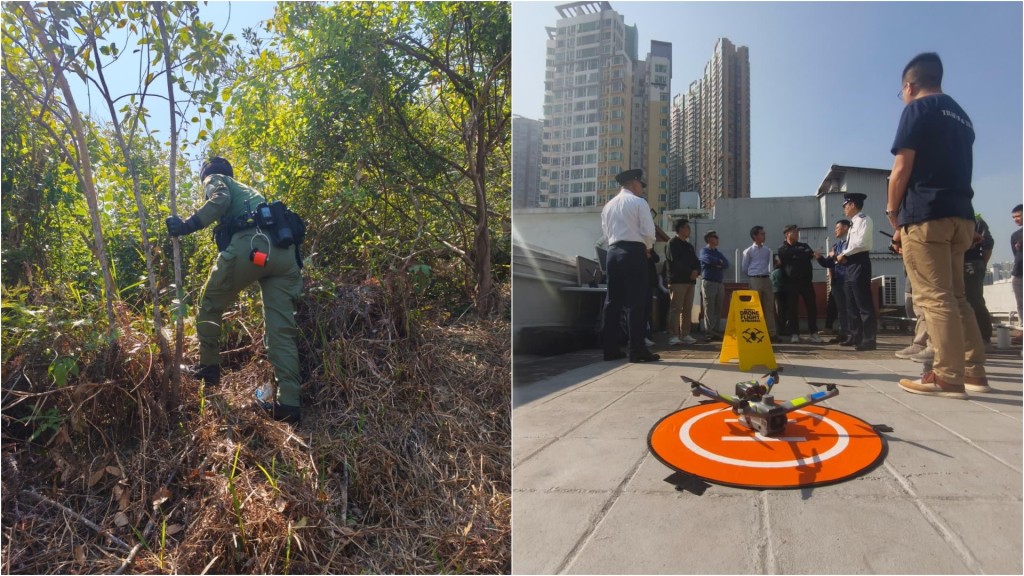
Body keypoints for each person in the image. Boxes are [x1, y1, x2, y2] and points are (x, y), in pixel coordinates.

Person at [166, 157, 304, 423]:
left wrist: (186, 226)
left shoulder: (217, 178)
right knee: (281, 331)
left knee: (209, 304)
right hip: (285, 255)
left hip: (254, 245)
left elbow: (220, 199)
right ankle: (289, 403)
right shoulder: (252, 193)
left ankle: (208, 369)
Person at [886, 52, 987, 398]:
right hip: (961, 215)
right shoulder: (962, 116)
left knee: (934, 298)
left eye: (901, 92)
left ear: (909, 86)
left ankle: (946, 376)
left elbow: (901, 168)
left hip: (926, 215)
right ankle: (974, 372)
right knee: (958, 297)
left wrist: (893, 213)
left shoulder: (918, 108)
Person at [601, 169, 659, 363]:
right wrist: (647, 248)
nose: (642, 189)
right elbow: (649, 232)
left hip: (612, 253)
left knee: (612, 302)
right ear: (634, 184)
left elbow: (606, 234)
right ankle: (637, 350)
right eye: (641, 185)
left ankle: (609, 350)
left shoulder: (608, 206)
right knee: (636, 302)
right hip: (633, 252)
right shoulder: (639, 202)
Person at [836, 193, 877, 350]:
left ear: (852, 205)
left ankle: (869, 339)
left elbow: (862, 243)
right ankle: (854, 335)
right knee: (851, 303)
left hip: (859, 262)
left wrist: (844, 254)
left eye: (845, 206)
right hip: (850, 264)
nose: (844, 209)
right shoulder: (853, 223)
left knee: (863, 303)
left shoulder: (864, 220)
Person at [777, 224, 823, 343]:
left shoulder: (804, 245)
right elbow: (786, 255)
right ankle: (794, 334)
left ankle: (813, 333)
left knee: (811, 307)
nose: (797, 234)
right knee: (792, 309)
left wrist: (795, 254)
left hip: (806, 281)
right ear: (787, 234)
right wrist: (800, 254)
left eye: (797, 232)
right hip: (791, 282)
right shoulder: (782, 248)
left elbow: (810, 253)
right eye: (794, 232)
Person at [817, 218, 851, 343]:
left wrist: (834, 256)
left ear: (846, 228)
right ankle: (843, 333)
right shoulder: (836, 246)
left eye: (837, 228)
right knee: (841, 308)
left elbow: (846, 260)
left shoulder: (851, 244)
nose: (835, 230)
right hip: (837, 281)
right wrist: (819, 258)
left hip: (848, 279)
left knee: (850, 307)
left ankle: (852, 333)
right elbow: (829, 263)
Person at [666, 219, 700, 346]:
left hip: (690, 282)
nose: (689, 230)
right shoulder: (672, 243)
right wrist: (690, 271)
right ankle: (673, 335)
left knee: (687, 308)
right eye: (687, 227)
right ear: (680, 229)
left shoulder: (689, 246)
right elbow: (674, 262)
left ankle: (685, 334)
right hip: (677, 281)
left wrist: (697, 271)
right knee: (676, 308)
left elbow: (696, 261)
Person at [741, 226, 776, 337]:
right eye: (761, 234)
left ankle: (771, 333)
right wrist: (753, 274)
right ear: (755, 236)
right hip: (755, 279)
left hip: (766, 278)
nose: (764, 236)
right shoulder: (748, 251)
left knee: (769, 306)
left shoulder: (767, 250)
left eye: (764, 233)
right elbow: (744, 268)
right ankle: (756, 332)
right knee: (755, 307)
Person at [963, 215, 994, 344]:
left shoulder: (975, 221)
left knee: (974, 300)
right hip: (956, 263)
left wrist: (980, 264)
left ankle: (983, 337)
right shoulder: (951, 219)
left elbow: (988, 244)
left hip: (971, 263)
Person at [699, 230, 729, 338]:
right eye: (715, 237)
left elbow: (726, 263)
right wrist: (718, 262)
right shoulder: (704, 251)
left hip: (719, 283)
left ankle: (716, 330)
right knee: (709, 307)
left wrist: (718, 263)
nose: (717, 239)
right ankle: (709, 331)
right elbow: (708, 260)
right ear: (709, 239)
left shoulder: (718, 253)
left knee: (718, 307)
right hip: (709, 282)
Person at [770, 260, 787, 338]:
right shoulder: (781, 272)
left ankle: (778, 329)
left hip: (775, 292)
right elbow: (783, 283)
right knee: (782, 311)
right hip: (782, 292)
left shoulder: (773, 272)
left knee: (778, 311)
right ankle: (782, 329)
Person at [1012, 204, 1022, 329]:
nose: (1016, 219)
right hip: (1019, 273)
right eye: (1014, 217)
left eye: (1018, 216)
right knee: (1020, 303)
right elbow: (1016, 255)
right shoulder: (1015, 236)